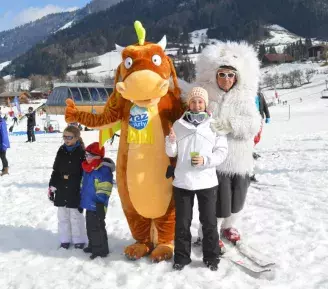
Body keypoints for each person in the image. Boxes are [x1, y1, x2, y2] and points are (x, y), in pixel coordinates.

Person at [195, 41, 261, 245]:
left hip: (240, 159)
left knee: (237, 199)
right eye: (222, 74)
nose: (226, 79)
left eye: (230, 75)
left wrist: (230, 124)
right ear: (215, 75)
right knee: (218, 202)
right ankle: (207, 231)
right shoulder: (208, 96)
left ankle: (229, 226)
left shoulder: (245, 97)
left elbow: (253, 124)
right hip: (218, 160)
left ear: (237, 77)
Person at [165, 87, 228, 271]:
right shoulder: (178, 124)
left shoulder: (214, 125)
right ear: (188, 104)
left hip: (206, 181)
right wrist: (170, 141)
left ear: (205, 104)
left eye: (200, 101)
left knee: (209, 222)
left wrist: (205, 160)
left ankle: (211, 257)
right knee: (182, 223)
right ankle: (181, 258)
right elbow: (171, 152)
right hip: (183, 181)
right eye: (193, 101)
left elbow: (222, 152)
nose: (196, 104)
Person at [48, 126, 87, 249]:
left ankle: (78, 239)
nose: (66, 139)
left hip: (75, 188)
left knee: (75, 216)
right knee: (63, 216)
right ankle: (65, 239)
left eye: (69, 137)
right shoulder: (61, 150)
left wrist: (83, 189)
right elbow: (56, 170)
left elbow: (84, 173)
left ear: (76, 137)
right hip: (61, 187)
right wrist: (52, 185)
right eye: (64, 136)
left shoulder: (81, 152)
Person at [80, 142, 114, 260]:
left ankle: (101, 250)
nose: (86, 158)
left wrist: (100, 202)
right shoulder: (88, 168)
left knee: (97, 228)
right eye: (86, 155)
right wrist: (81, 200)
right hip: (88, 203)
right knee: (90, 227)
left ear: (97, 157)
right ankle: (93, 245)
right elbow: (83, 185)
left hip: (97, 205)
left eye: (89, 156)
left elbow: (105, 187)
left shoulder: (103, 170)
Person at [251, 90, 271, 182]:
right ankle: (249, 151)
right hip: (250, 119)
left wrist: (268, 116)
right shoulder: (247, 94)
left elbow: (265, 106)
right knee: (251, 137)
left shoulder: (260, 95)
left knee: (257, 137)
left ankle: (251, 149)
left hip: (260, 118)